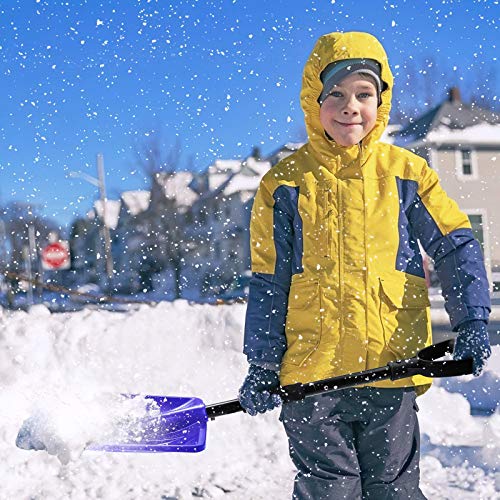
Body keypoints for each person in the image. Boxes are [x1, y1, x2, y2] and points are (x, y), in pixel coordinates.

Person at [238, 31, 491, 499]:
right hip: (311, 383)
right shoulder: (284, 185)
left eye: (363, 94)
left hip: (390, 371)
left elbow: (456, 246)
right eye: (334, 93)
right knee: (330, 491)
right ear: (313, 101)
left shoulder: (407, 173)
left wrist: (472, 319)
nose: (349, 106)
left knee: (393, 490)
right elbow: (270, 282)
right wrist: (263, 364)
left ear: (381, 101)